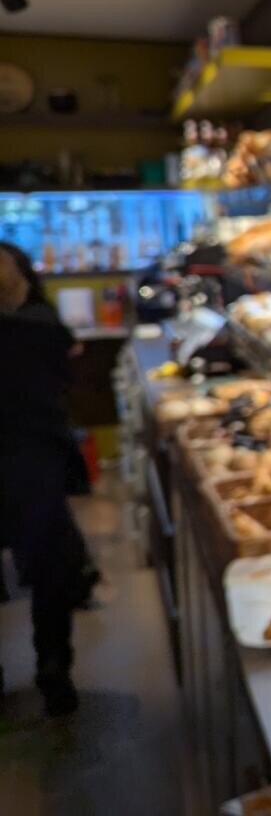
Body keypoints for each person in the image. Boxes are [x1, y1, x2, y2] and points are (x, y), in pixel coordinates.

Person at [0, 242, 92, 715]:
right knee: (50, 573)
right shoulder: (42, 327)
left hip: (27, 458)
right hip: (33, 462)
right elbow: (66, 364)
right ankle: (54, 670)